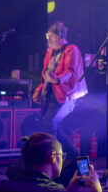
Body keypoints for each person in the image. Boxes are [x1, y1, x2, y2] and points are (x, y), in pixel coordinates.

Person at [32, 21, 87, 159]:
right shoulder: (50, 52)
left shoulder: (71, 49)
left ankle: (54, 161)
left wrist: (57, 79)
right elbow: (46, 76)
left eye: (51, 36)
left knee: (50, 125)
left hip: (68, 95)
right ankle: (74, 158)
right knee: (52, 126)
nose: (48, 39)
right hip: (53, 95)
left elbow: (70, 72)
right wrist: (39, 90)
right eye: (47, 36)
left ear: (60, 37)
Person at [8, 132, 103, 192]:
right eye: (61, 156)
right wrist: (97, 188)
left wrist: (71, 189)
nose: (62, 160)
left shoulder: (7, 185)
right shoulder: (55, 191)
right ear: (53, 157)